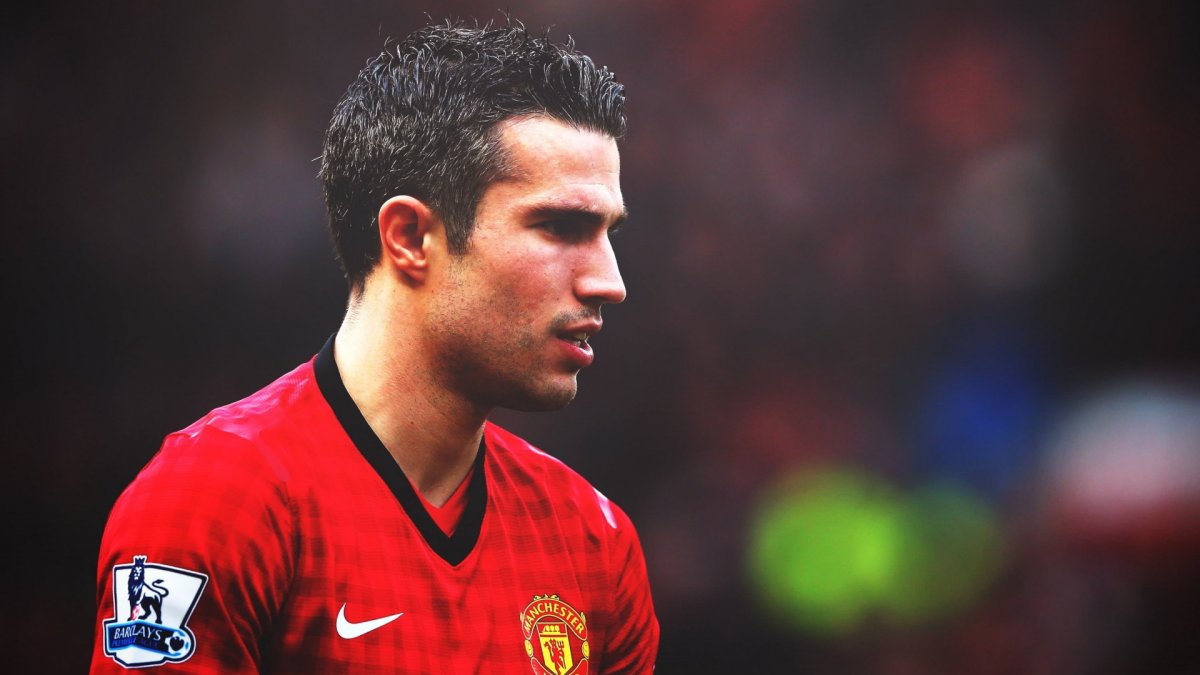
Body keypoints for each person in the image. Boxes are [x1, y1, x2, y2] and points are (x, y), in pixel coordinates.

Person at [92, 19, 658, 674]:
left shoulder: (592, 543)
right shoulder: (216, 501)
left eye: (609, 233)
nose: (610, 282)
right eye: (561, 226)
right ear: (410, 238)